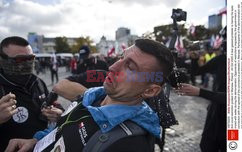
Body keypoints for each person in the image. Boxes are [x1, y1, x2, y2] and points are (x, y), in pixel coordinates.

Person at [5, 38, 174, 152]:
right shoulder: (90, 97)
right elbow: (61, 132)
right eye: (121, 58)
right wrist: (35, 142)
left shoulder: (130, 144)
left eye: (130, 67)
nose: (113, 67)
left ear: (150, 91)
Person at [0, 36, 62, 151]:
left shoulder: (38, 82)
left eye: (31, 58)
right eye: (20, 59)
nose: (28, 62)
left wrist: (58, 114)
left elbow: (51, 105)